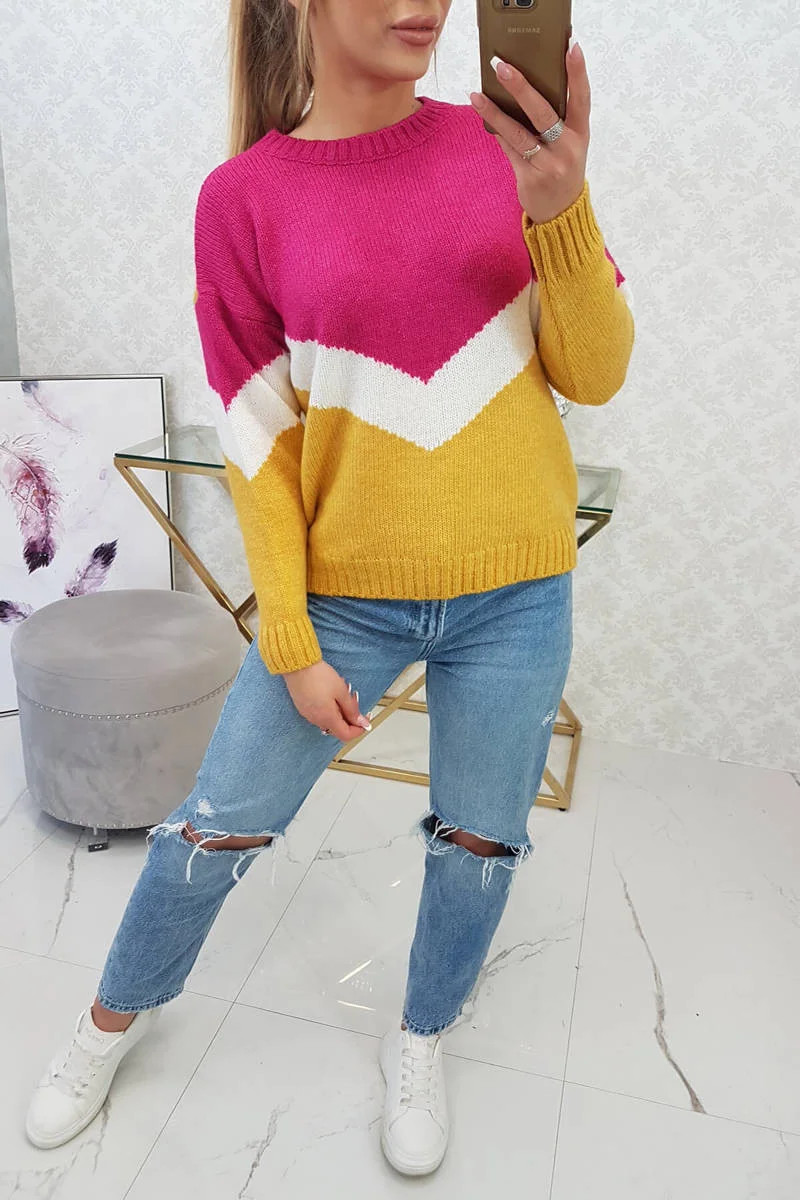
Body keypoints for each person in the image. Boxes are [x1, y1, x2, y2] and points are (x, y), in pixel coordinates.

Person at [25, 0, 634, 1177]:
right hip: (344, 600)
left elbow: (595, 372)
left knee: (479, 843)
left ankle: (421, 1034)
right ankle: (105, 1025)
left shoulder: (500, 152)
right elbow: (260, 446)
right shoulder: (242, 200)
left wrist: (559, 208)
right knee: (209, 830)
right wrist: (292, 642)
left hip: (518, 592)